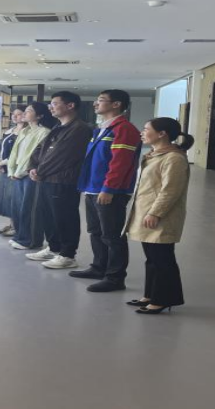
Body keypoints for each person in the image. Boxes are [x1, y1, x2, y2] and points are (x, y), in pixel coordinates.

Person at [71, 90, 141, 292]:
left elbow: (120, 163)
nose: (95, 104)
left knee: (112, 235)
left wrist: (109, 188)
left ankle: (115, 278)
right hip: (93, 188)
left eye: (101, 100)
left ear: (116, 104)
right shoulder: (102, 128)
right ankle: (99, 267)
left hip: (109, 191)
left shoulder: (124, 129)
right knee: (96, 231)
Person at [125, 117, 194, 314]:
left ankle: (163, 299)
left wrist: (156, 212)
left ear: (162, 133)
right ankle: (150, 295)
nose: (142, 132)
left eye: (146, 129)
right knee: (152, 258)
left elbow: (170, 190)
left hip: (160, 215)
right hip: (146, 212)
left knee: (162, 259)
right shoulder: (155, 155)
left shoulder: (174, 158)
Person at [24, 91, 93, 269]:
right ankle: (54, 248)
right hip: (46, 179)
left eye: (55, 103)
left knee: (64, 217)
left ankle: (68, 255)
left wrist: (40, 171)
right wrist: (32, 167)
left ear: (70, 106)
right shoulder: (58, 126)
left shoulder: (79, 129)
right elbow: (39, 149)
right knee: (48, 215)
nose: (51, 107)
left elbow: (62, 156)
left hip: (63, 181)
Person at [6, 102, 57, 249]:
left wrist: (20, 172)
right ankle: (20, 236)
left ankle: (31, 240)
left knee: (30, 209)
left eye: (29, 111)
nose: (24, 113)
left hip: (30, 174)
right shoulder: (25, 131)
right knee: (17, 207)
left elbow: (34, 156)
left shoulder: (44, 132)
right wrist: (12, 171)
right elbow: (14, 153)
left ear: (39, 116)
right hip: (18, 173)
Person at [0, 107, 26, 236]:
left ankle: (17, 227)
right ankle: (12, 224)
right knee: (6, 199)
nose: (14, 116)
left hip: (14, 170)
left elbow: (17, 154)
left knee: (14, 199)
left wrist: (1, 163)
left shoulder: (25, 133)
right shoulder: (10, 131)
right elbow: (0, 148)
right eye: (13, 114)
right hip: (4, 170)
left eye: (19, 114)